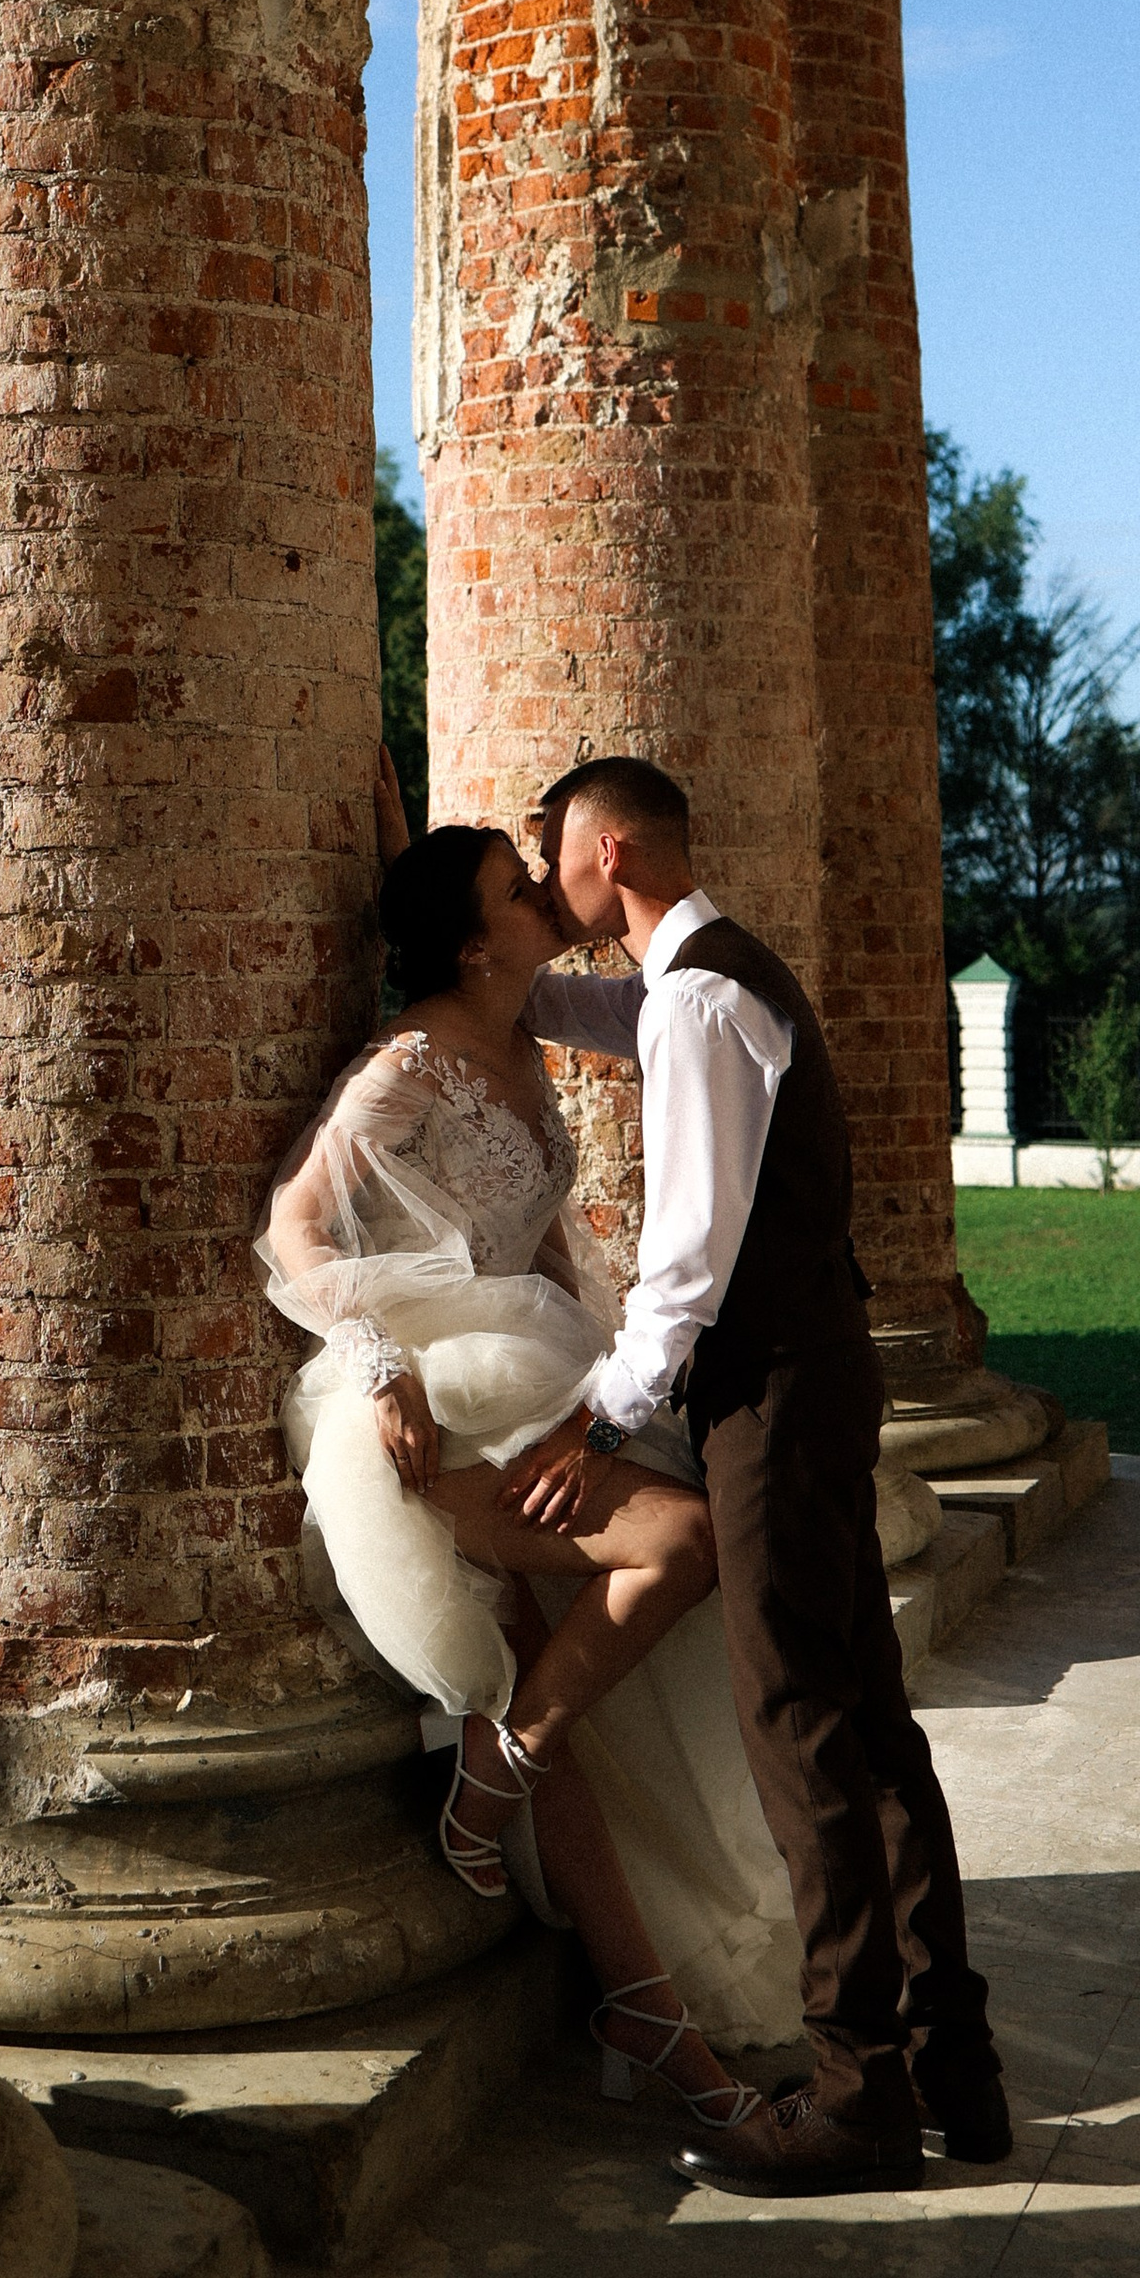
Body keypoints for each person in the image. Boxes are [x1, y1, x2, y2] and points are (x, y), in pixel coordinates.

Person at [259, 782, 801, 2128]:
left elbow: (540, 1231)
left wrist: (602, 1364)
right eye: (517, 887)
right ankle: (499, 1778)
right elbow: (295, 1232)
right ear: (473, 942)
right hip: (444, 1394)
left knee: (591, 1723)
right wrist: (383, 1364)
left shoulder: (526, 1030)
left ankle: (638, 1999)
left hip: (543, 1360)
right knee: (680, 1543)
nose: (545, 896)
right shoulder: (408, 1062)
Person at [510, 754, 1012, 2196]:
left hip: (775, 1395)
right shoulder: (688, 987)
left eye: (556, 859)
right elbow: (551, 1003)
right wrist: (447, 877)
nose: (550, 884)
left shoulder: (708, 999)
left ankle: (859, 2096)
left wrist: (603, 1420)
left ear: (609, 849)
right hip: (805, 1376)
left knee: (800, 1727)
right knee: (868, 1724)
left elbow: (686, 1262)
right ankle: (949, 2068)